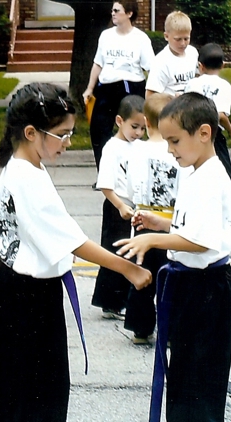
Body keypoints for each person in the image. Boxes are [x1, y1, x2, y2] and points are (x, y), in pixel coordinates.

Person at [0, 83, 151, 422]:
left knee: (27, 389)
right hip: (25, 298)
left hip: (23, 292)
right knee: (37, 393)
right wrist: (128, 269)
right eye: (62, 134)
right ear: (32, 132)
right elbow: (71, 240)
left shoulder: (27, 165)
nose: (68, 142)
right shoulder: (25, 176)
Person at [114, 92, 231, 422]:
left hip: (208, 289)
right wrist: (164, 224)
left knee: (199, 382)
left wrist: (153, 240)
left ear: (203, 133)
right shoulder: (194, 169)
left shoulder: (211, 177)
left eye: (174, 141)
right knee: (184, 376)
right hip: (192, 286)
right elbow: (193, 226)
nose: (169, 150)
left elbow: (201, 242)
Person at [125, 93, 189, 345]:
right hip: (170, 221)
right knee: (171, 278)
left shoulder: (136, 151)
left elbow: (129, 187)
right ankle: (171, 330)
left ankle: (140, 328)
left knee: (142, 274)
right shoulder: (178, 152)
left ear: (146, 123)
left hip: (142, 219)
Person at [82, 0, 155, 178]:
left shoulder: (140, 38)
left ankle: (132, 172)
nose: (113, 13)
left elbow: (151, 68)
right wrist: (89, 88)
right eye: (112, 10)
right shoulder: (106, 36)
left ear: (129, 14)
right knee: (99, 129)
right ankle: (106, 175)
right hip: (107, 87)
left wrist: (152, 94)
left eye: (117, 10)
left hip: (131, 86)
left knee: (133, 129)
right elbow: (98, 64)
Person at [185, 42, 231, 251]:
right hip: (213, 136)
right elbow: (220, 114)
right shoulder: (225, 87)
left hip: (191, 134)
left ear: (199, 65)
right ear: (222, 65)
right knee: (227, 179)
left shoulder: (193, 84)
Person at [91, 94, 146, 321]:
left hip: (136, 207)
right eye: (134, 127)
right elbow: (105, 184)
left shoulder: (141, 147)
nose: (138, 133)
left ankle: (126, 298)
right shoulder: (112, 148)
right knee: (116, 252)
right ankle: (110, 301)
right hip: (117, 205)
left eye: (143, 128)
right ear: (119, 121)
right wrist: (120, 205)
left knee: (134, 252)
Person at [145, 11, 198, 98]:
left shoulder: (193, 53)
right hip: (170, 108)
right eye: (178, 39)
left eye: (186, 38)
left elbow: (197, 77)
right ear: (166, 36)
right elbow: (150, 96)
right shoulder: (161, 62)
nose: (183, 43)